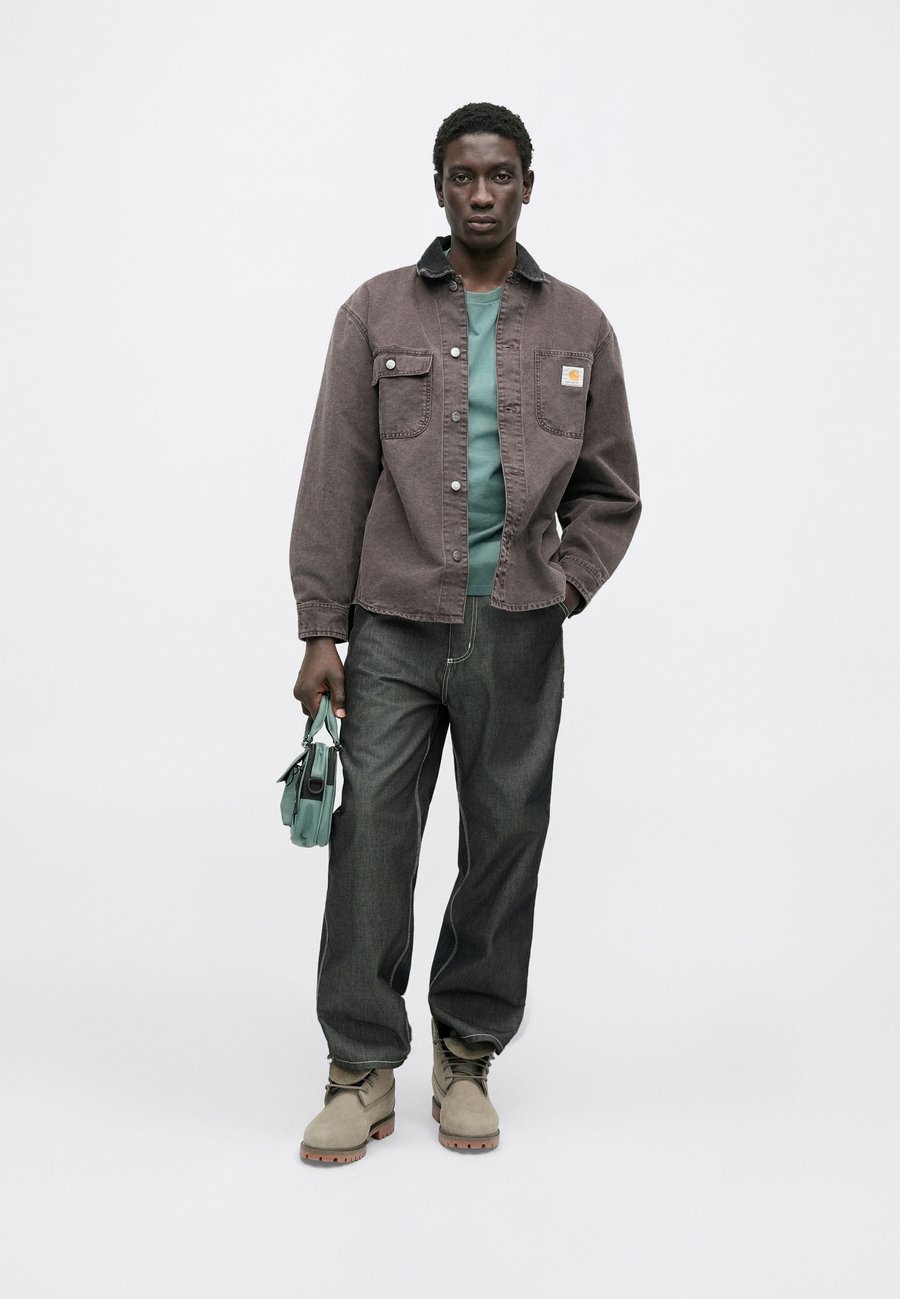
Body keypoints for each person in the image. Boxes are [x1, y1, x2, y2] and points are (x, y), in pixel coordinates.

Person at [289, 102, 641, 1163]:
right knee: (369, 840)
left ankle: (468, 1053)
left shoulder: (579, 326)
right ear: (437, 187)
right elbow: (335, 474)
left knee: (505, 841)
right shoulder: (375, 312)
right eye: (461, 176)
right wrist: (321, 631)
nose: (480, 193)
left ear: (528, 183)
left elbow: (612, 489)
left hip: (520, 628)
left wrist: (565, 585)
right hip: (393, 624)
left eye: (498, 175)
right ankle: (360, 1068)